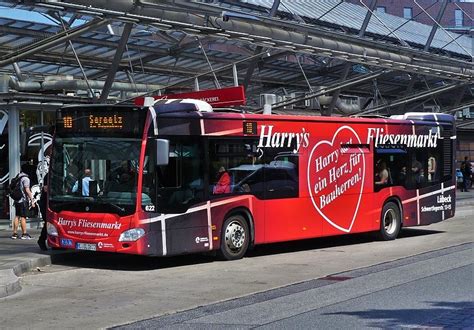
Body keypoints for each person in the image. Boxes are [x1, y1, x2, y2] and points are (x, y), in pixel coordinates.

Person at [11, 164, 36, 239]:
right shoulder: (26, 178)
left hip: (17, 200)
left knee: (17, 216)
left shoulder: (18, 176)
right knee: (23, 217)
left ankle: (14, 234)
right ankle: (24, 234)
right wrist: (32, 200)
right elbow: (27, 190)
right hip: (23, 200)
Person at [37, 173, 48, 250]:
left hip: (48, 203)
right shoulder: (49, 175)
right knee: (48, 223)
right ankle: (41, 240)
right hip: (45, 204)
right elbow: (46, 189)